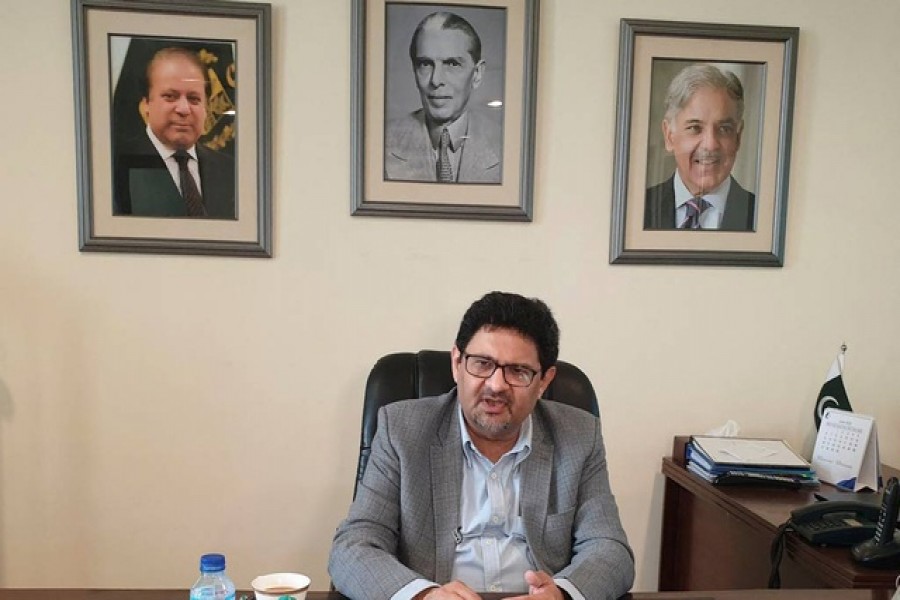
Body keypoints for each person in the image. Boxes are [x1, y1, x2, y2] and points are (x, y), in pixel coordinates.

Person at [329, 292, 634, 600]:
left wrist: (561, 595)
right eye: (482, 364)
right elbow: (353, 546)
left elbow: (609, 549)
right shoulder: (402, 431)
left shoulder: (578, 436)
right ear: (456, 363)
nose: (496, 385)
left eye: (518, 371)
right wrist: (423, 596)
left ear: (543, 381)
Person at [113, 46, 235, 219]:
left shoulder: (231, 171)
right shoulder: (115, 170)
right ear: (146, 104)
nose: (184, 109)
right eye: (170, 96)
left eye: (194, 99)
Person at [384, 11, 503, 184]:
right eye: (425, 64)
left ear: (477, 74)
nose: (436, 80)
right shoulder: (381, 143)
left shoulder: (507, 146)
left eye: (452, 64)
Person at [645, 64, 755, 231]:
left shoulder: (761, 215)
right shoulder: (637, 209)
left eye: (724, 129)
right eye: (695, 128)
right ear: (669, 136)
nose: (710, 144)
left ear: (738, 137)